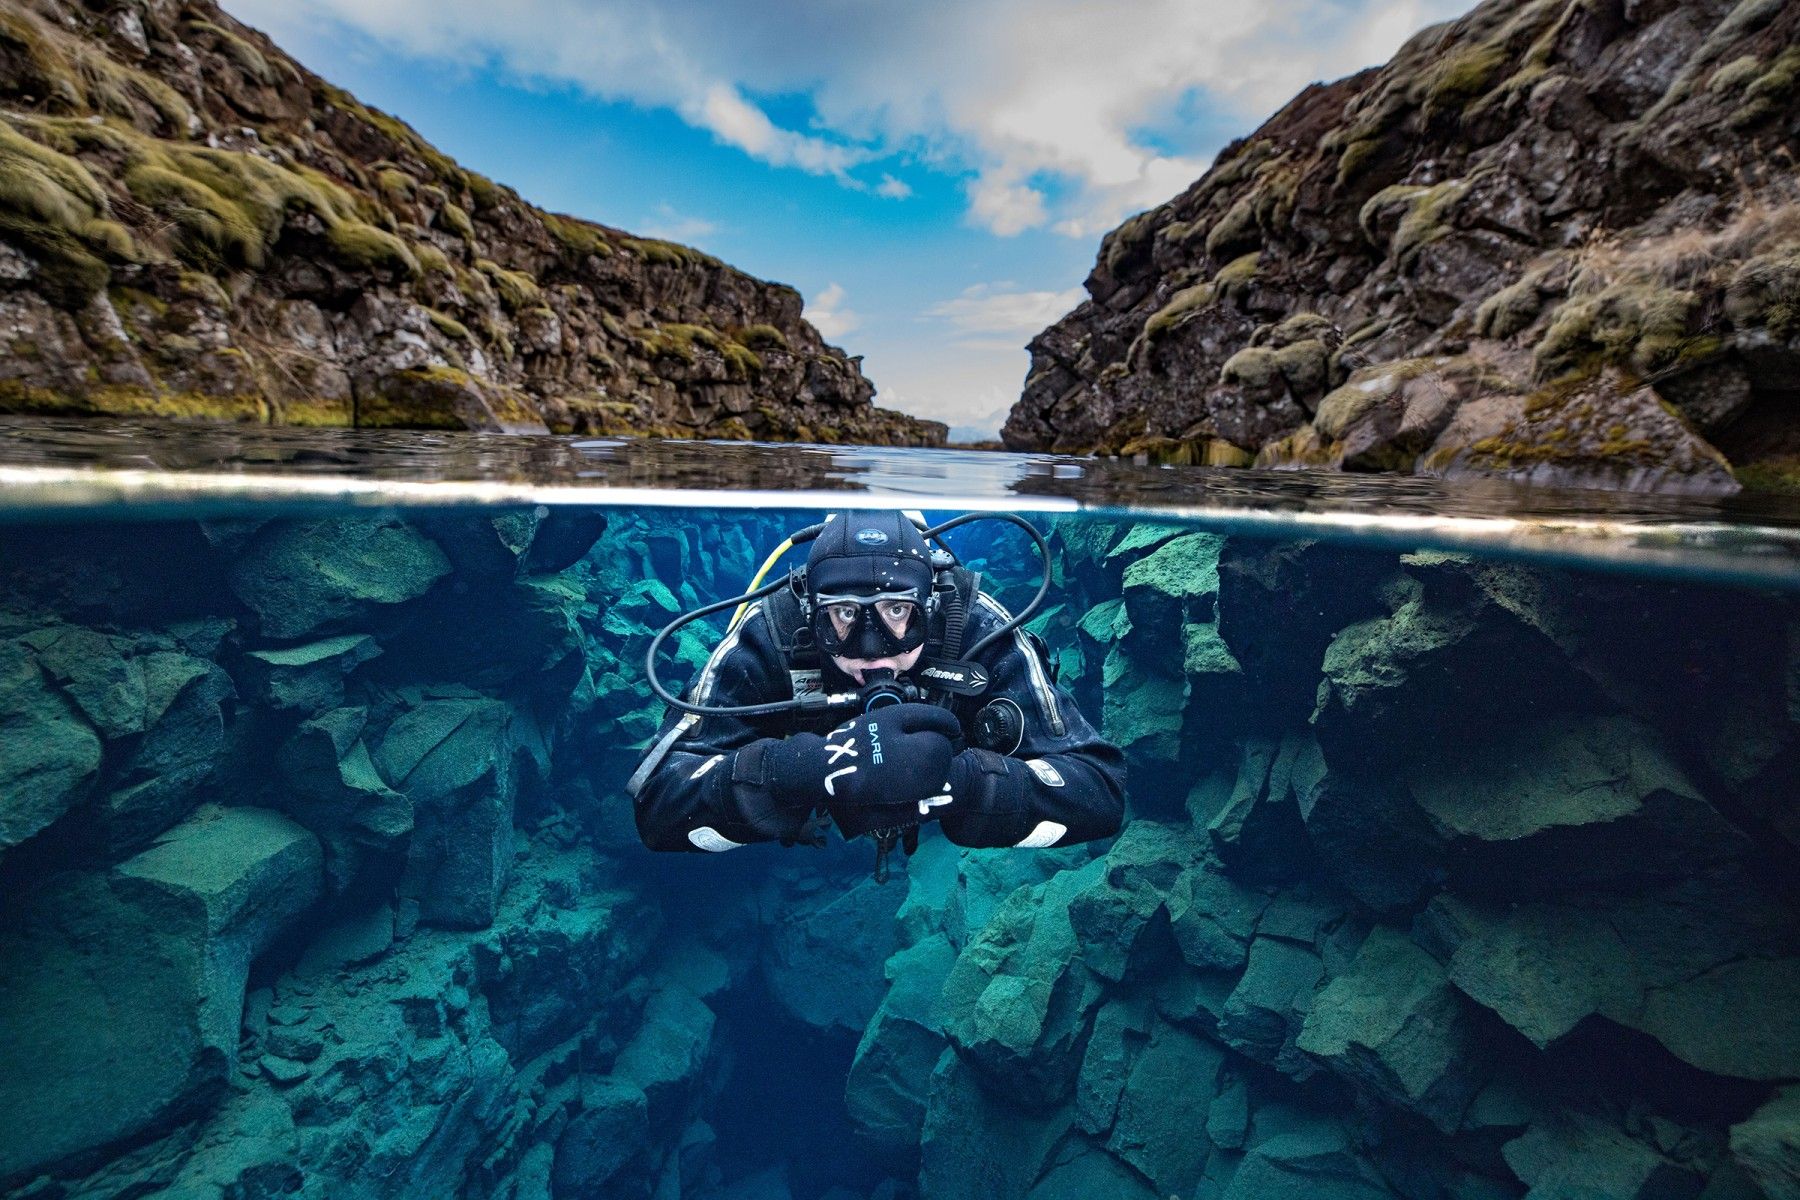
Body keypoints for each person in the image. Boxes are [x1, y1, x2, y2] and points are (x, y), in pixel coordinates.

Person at [628, 510, 1125, 870]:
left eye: (897, 611)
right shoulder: (771, 632)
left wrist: (965, 783)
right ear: (810, 614)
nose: (872, 651)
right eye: (843, 615)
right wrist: (798, 773)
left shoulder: (974, 627)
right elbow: (658, 804)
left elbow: (1099, 792)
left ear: (929, 607)